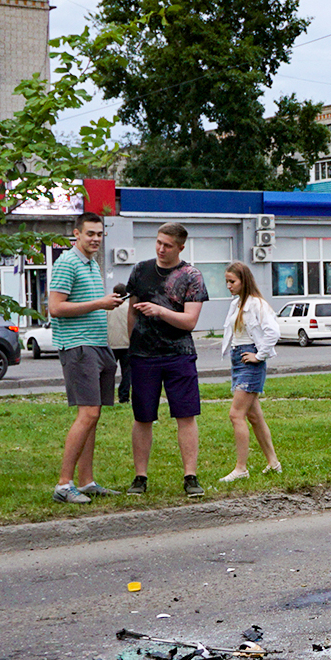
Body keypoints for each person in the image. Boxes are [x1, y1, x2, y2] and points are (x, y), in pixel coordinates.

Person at [124, 223, 209, 497]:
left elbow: (190, 321)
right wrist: (130, 345)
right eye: (158, 242)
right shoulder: (140, 270)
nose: (161, 249)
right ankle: (140, 477)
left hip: (178, 354)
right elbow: (131, 313)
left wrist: (160, 311)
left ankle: (191, 476)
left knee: (185, 414)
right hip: (143, 355)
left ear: (180, 247)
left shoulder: (191, 275)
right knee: (143, 416)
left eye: (168, 245)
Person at [49, 212, 126, 504]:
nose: (95, 239)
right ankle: (63, 485)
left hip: (98, 344)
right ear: (76, 234)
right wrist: (100, 303)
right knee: (88, 413)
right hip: (78, 346)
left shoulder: (91, 263)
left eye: (99, 234)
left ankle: (86, 481)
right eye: (90, 233)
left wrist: (108, 304)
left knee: (94, 416)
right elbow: (55, 308)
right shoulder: (67, 262)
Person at [218, 262, 282, 482]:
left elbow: (273, 332)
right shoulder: (237, 304)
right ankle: (273, 464)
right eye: (227, 281)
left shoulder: (257, 304)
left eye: (232, 281)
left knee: (236, 415)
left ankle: (241, 469)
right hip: (239, 358)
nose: (228, 286)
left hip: (250, 361)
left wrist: (259, 355)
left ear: (244, 281)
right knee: (254, 416)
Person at [106, 282, 131, 405]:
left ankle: (108, 397)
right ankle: (124, 397)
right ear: (126, 294)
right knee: (126, 373)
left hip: (112, 344)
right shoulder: (129, 307)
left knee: (109, 373)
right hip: (127, 344)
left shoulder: (108, 309)